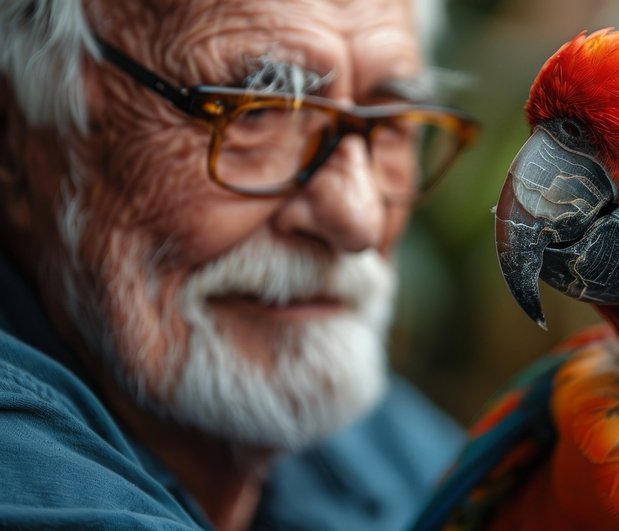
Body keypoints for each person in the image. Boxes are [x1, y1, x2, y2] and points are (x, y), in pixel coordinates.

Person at [0, 0, 477, 529]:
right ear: (12, 139)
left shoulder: (410, 456)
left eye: (391, 122)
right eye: (257, 111)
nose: (358, 218)